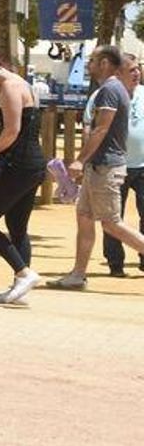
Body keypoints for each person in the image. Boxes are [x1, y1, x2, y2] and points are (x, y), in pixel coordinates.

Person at [48, 45, 144, 289]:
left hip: (106, 167)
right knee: (84, 217)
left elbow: (100, 129)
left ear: (103, 63)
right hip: (99, 166)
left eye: (91, 60)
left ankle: (78, 275)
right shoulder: (109, 89)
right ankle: (78, 275)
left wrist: (80, 160)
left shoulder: (110, 90)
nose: (87, 64)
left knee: (111, 224)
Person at [0, 56, 47, 304]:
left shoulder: (10, 88)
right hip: (31, 164)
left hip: (18, 165)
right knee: (17, 227)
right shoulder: (22, 83)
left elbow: (12, 131)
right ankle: (21, 287)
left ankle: (23, 273)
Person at [101, 56, 144, 276]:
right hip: (115, 165)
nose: (137, 73)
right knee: (112, 217)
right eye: (132, 69)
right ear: (118, 73)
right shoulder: (106, 94)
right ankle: (115, 263)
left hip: (143, 166)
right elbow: (93, 129)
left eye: (138, 69)